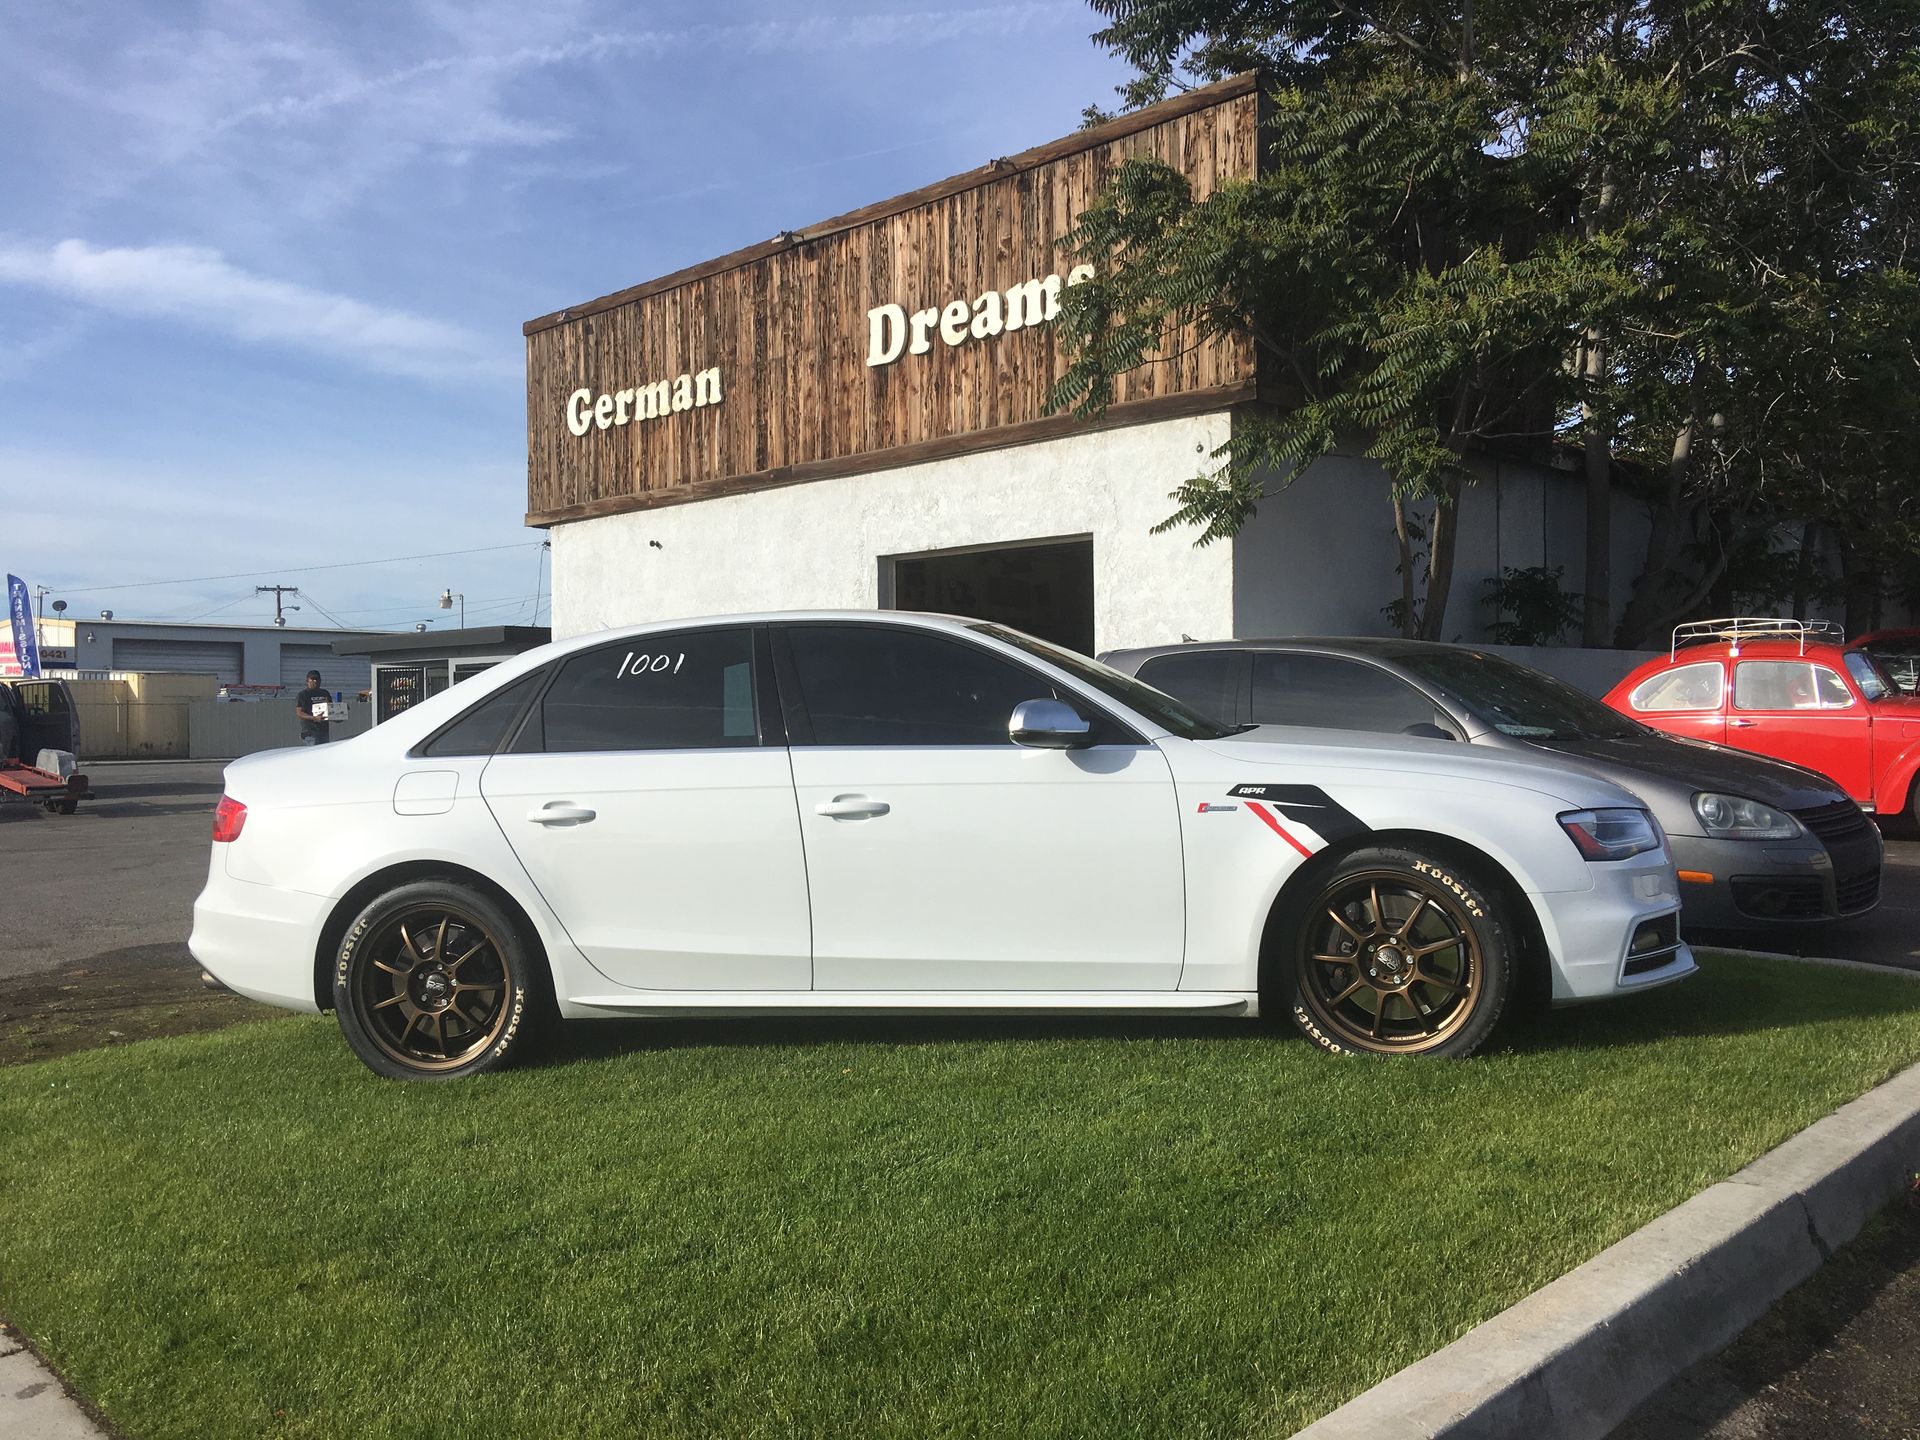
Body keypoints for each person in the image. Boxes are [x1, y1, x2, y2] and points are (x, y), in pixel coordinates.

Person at [295, 670, 332, 746]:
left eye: (317, 679)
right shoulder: (303, 694)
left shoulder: (325, 693)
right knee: (313, 753)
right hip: (310, 732)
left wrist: (342, 708)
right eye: (313, 679)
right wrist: (313, 718)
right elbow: (299, 713)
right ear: (307, 680)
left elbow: (331, 708)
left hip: (324, 731)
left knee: (324, 754)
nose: (315, 681)